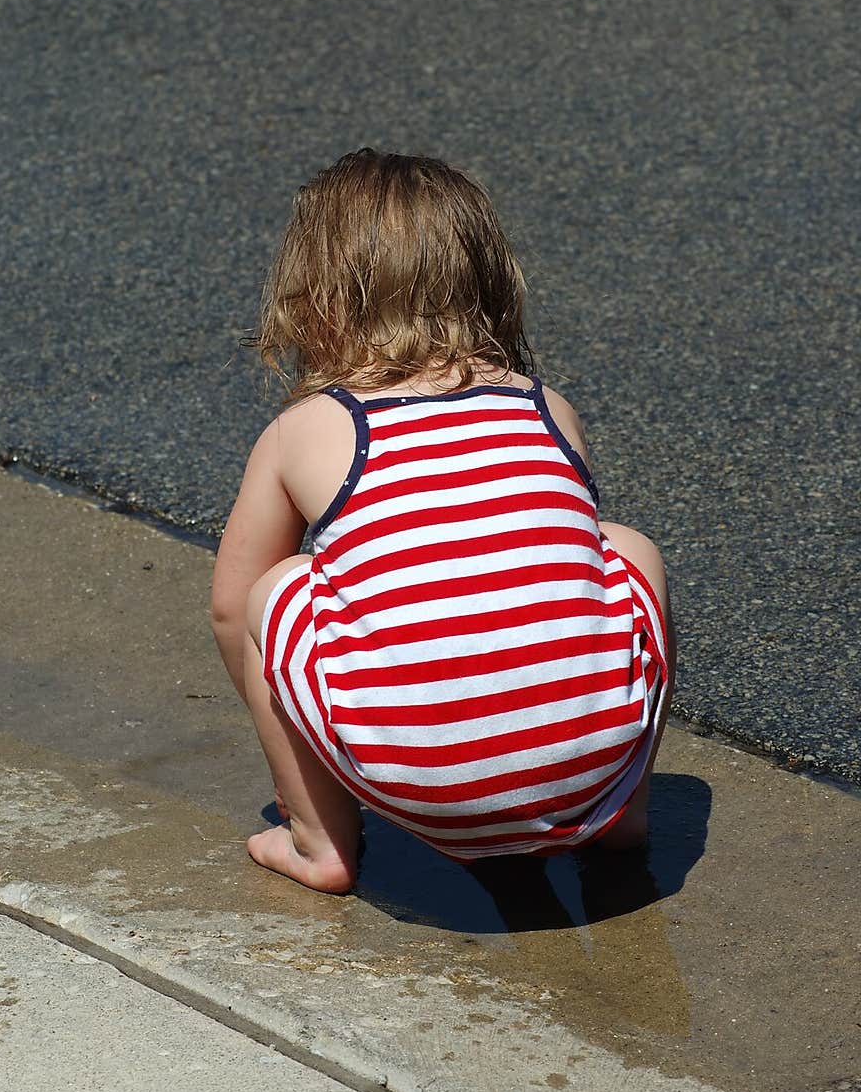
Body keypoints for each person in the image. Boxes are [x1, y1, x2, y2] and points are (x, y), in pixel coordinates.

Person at [210, 148, 676, 895]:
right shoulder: (544, 406)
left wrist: (315, 746)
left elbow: (233, 608)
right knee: (627, 550)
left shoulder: (307, 428)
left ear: (315, 302)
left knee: (278, 588)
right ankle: (623, 810)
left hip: (420, 778)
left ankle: (319, 840)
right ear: (490, 288)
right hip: (588, 775)